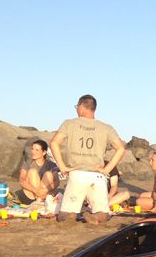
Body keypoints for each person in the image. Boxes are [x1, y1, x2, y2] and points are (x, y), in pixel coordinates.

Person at [50, 94, 125, 224]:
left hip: (77, 173)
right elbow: (121, 149)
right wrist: (107, 169)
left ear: (81, 107)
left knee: (64, 214)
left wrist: (62, 167)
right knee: (103, 213)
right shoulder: (106, 127)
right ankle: (95, 218)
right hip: (97, 175)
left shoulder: (69, 123)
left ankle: (71, 217)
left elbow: (54, 143)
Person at [14, 139, 59, 204]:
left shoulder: (51, 164)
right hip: (31, 195)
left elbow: (57, 182)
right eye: (32, 149)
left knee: (48, 174)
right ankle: (38, 201)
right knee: (32, 172)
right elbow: (22, 181)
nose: (33, 152)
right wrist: (35, 190)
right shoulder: (27, 163)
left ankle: (38, 201)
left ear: (44, 152)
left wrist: (44, 190)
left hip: (44, 195)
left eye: (37, 150)